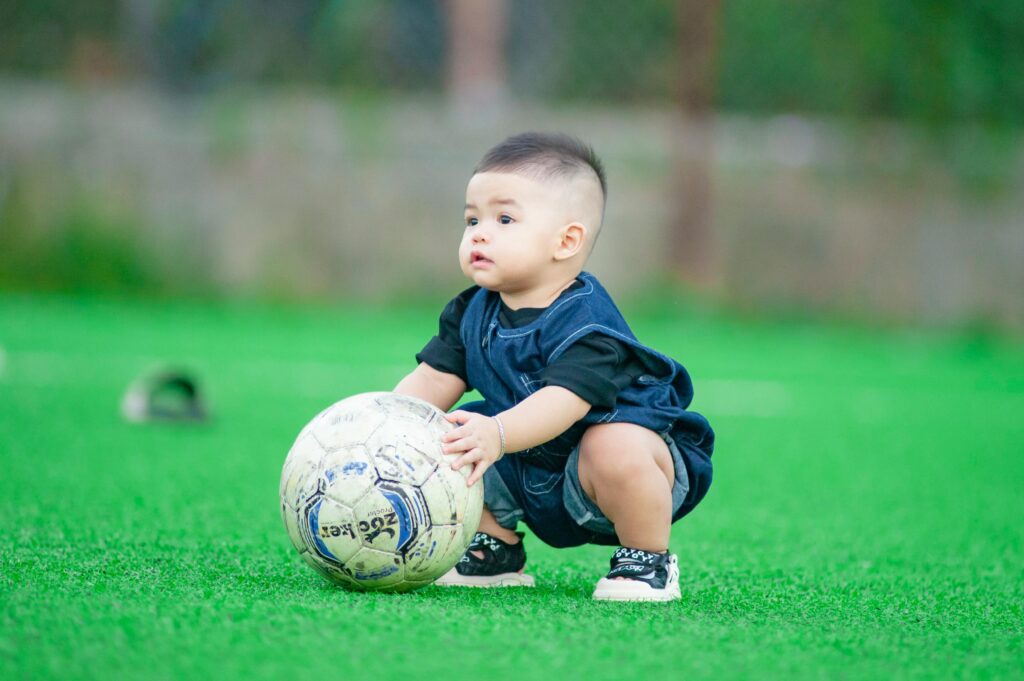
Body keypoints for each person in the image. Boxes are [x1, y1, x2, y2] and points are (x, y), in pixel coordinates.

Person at [394, 132, 714, 602]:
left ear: (566, 241)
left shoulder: (588, 322)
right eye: (472, 219)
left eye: (504, 219)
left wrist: (495, 434)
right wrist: (383, 425)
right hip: (532, 467)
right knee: (450, 433)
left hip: (619, 472)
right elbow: (431, 383)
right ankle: (495, 547)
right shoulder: (471, 313)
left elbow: (562, 403)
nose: (480, 232)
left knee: (613, 443)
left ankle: (647, 558)